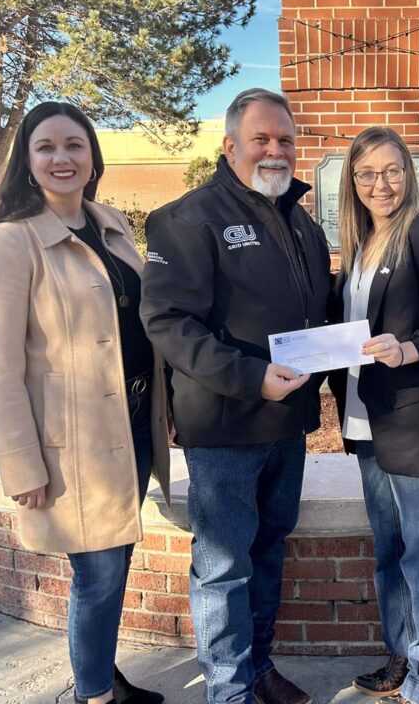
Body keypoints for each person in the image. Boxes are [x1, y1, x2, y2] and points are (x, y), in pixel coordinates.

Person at [0, 102, 170, 704]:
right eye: (46, 147)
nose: (62, 158)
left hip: (133, 426)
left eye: (74, 145)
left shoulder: (110, 222)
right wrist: (21, 464)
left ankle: (100, 673)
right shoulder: (9, 242)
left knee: (112, 565)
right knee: (98, 573)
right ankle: (94, 695)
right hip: (72, 444)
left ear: (93, 157)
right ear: (26, 163)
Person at [139, 88, 331, 704]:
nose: (276, 150)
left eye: (286, 140)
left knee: (269, 549)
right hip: (224, 430)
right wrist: (251, 379)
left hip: (287, 423)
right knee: (223, 568)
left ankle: (258, 667)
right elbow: (168, 322)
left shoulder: (303, 222)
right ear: (230, 146)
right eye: (262, 139)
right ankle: (229, 691)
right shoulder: (187, 218)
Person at [329, 126, 419, 704]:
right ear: (351, 182)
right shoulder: (358, 245)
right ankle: (401, 657)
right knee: (389, 547)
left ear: (409, 175)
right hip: (364, 421)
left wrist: (407, 348)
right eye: (366, 174)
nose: (380, 184)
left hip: (413, 420)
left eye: (392, 171)